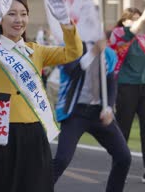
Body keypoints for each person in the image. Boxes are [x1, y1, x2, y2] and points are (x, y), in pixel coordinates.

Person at [0, 0, 83, 192]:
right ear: (0, 18)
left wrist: (66, 23)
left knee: (34, 185)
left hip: (34, 129)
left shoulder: (35, 50)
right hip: (1, 128)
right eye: (10, 14)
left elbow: (73, 53)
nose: (19, 20)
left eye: (23, 14)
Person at [53, 40, 131, 192]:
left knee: (123, 157)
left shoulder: (108, 53)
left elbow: (111, 83)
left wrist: (108, 107)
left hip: (98, 113)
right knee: (62, 159)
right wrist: (93, 52)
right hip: (75, 112)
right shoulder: (69, 47)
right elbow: (72, 70)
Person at [109, 4, 145, 184]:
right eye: (134, 18)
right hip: (126, 86)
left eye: (140, 18)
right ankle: (118, 167)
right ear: (124, 20)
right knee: (123, 129)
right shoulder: (117, 33)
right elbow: (130, 33)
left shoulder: (143, 38)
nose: (140, 21)